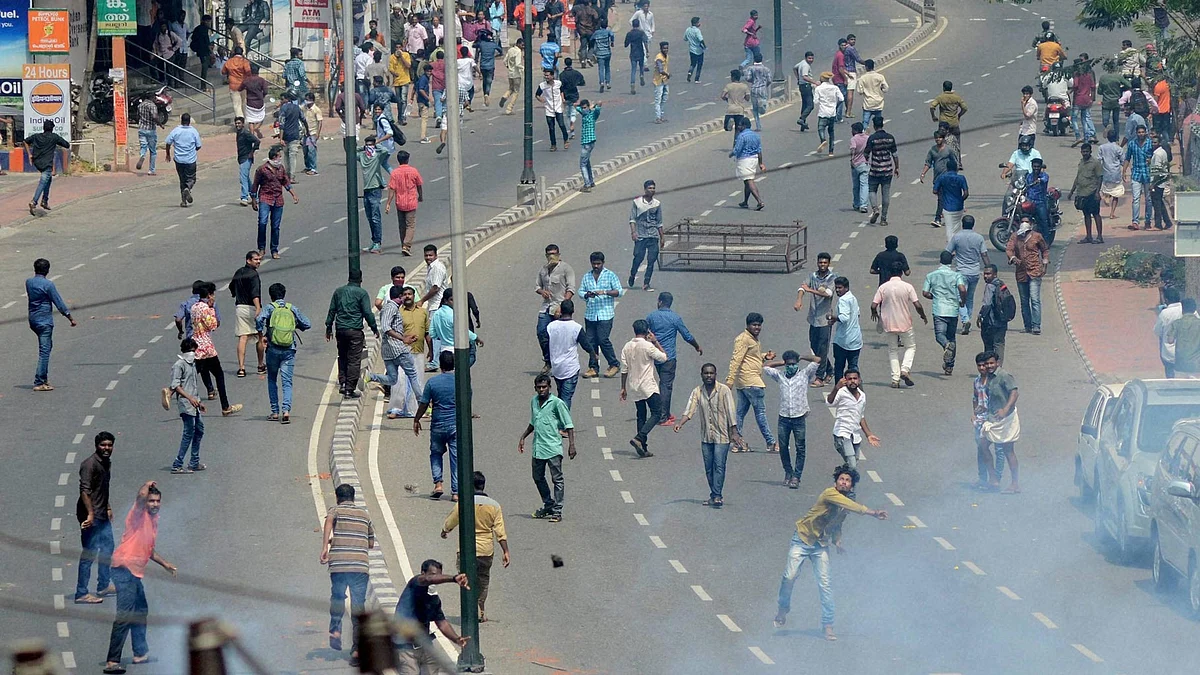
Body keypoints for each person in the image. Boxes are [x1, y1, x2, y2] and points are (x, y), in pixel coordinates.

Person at [773, 464, 888, 642]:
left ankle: (828, 626)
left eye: (848, 481)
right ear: (836, 481)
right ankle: (783, 608)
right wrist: (872, 512)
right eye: (841, 479)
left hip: (820, 545)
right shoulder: (830, 494)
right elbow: (852, 506)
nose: (844, 482)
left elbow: (838, 522)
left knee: (825, 585)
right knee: (790, 576)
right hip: (802, 538)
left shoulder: (846, 502)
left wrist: (837, 540)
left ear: (852, 485)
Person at [103, 481, 176, 674]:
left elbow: (149, 550)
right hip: (123, 569)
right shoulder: (137, 515)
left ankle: (140, 653)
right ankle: (112, 661)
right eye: (151, 501)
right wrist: (146, 484)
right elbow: (140, 497)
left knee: (141, 610)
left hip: (134, 573)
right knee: (125, 615)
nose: (154, 504)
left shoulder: (154, 520)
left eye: (157, 501)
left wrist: (165, 564)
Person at [440, 471, 510, 622]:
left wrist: (445, 531)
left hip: (467, 550)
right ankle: (481, 610)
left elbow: (451, 520)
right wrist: (505, 551)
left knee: (466, 579)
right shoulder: (495, 506)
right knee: (483, 580)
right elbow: (500, 531)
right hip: (486, 551)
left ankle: (470, 609)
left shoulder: (464, 502)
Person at [320, 483, 375, 665]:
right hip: (359, 567)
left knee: (338, 597)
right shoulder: (365, 515)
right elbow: (370, 544)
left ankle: (335, 630)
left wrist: (325, 547)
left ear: (337, 497)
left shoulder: (335, 510)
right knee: (358, 607)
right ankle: (358, 650)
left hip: (339, 565)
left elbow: (329, 521)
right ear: (353, 498)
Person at [675, 363, 743, 506]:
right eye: (706, 373)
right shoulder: (697, 392)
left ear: (715, 375)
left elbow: (731, 411)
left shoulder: (724, 391)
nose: (709, 376)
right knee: (708, 467)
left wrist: (734, 432)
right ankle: (714, 494)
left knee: (719, 466)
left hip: (722, 436)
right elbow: (690, 409)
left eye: (711, 373)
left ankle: (717, 495)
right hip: (706, 437)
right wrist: (680, 423)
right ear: (701, 375)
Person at [394, 560, 471, 672]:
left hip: (424, 645)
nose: (436, 579)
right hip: (405, 647)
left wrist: (456, 639)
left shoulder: (433, 599)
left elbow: (442, 623)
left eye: (439, 575)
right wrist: (453, 578)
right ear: (423, 573)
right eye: (433, 574)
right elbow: (428, 580)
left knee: (433, 667)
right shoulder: (415, 583)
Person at [518, 373, 576, 521]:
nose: (542, 389)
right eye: (539, 387)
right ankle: (548, 504)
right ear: (535, 388)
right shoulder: (534, 401)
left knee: (557, 479)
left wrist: (571, 445)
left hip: (553, 448)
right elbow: (534, 422)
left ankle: (557, 511)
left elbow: (568, 425)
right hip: (538, 448)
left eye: (544, 387)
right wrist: (523, 436)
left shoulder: (557, 403)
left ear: (550, 387)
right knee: (537, 477)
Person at [762, 350, 821, 488]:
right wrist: (782, 362)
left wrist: (801, 356)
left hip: (799, 417)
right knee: (783, 447)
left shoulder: (804, 374)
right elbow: (766, 367)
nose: (791, 366)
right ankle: (788, 472)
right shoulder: (780, 376)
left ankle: (797, 476)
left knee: (800, 448)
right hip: (783, 417)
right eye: (788, 364)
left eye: (793, 364)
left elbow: (817, 359)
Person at [256, 283, 311, 423]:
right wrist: (294, 326)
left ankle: (275, 412)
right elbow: (307, 323)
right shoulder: (291, 308)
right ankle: (286, 411)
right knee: (287, 382)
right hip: (289, 349)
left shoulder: (269, 308)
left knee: (272, 379)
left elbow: (258, 319)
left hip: (273, 349)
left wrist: (261, 333)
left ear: (271, 295)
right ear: (284, 294)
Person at [645, 293, 702, 428]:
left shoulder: (651, 316)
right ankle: (663, 417)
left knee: (662, 383)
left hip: (655, 355)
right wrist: (697, 346)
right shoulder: (675, 318)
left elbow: (645, 331)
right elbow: (686, 335)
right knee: (666, 386)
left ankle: (666, 412)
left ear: (659, 302)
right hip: (669, 357)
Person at [726, 312, 777, 453]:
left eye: (759, 325)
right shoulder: (743, 339)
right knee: (760, 413)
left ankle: (737, 442)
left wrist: (765, 356)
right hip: (751, 382)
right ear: (747, 325)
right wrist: (729, 380)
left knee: (739, 414)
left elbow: (751, 358)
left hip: (745, 382)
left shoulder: (752, 339)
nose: (757, 327)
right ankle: (771, 442)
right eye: (754, 325)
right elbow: (736, 359)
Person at [75, 431, 116, 605]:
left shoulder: (106, 462)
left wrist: (107, 506)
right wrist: (90, 514)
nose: (106, 448)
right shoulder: (89, 464)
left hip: (101, 513)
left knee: (108, 548)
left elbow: (102, 488)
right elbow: (85, 490)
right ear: (96, 446)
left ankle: (103, 585)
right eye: (103, 445)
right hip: (90, 515)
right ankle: (81, 593)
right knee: (89, 554)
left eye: (109, 445)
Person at [189, 284, 241, 417]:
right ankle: (225, 406)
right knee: (219, 374)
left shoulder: (194, 307)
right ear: (209, 295)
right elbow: (212, 325)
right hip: (206, 346)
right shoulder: (206, 308)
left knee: (193, 374)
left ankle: (172, 390)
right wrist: (211, 309)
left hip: (196, 344)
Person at [872, 262, 928, 388]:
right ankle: (905, 369)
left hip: (889, 324)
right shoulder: (907, 287)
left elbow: (873, 305)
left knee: (893, 351)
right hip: (905, 323)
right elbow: (917, 305)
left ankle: (895, 379)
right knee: (911, 347)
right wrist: (923, 316)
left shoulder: (883, 287)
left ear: (890, 273)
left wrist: (874, 313)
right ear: (901, 272)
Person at [326, 268, 380, 398]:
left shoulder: (339, 292)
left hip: (340, 330)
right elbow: (367, 312)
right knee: (354, 360)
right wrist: (374, 328)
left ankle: (343, 383)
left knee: (342, 356)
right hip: (355, 331)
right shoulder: (362, 293)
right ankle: (349, 389)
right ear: (360, 279)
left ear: (349, 278)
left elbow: (332, 310)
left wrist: (328, 327)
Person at [414, 352, 461, 500]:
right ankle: (456, 492)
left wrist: (416, 419)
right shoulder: (460, 381)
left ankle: (438, 484)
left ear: (440, 365)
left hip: (437, 425)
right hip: (455, 425)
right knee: (455, 457)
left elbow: (424, 403)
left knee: (436, 454)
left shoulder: (432, 383)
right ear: (454, 365)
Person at [619, 319, 668, 457]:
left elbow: (624, 370)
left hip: (633, 385)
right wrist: (655, 341)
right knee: (657, 413)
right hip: (648, 385)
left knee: (641, 415)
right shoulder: (648, 346)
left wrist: (623, 388)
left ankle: (643, 448)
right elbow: (664, 357)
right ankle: (640, 437)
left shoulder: (627, 346)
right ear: (647, 331)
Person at [25, 258, 75, 391]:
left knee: (47, 346)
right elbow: (59, 303)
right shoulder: (48, 285)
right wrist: (70, 318)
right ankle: (39, 381)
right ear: (47, 270)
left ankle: (44, 378)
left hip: (33, 320)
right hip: (44, 322)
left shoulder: (29, 282)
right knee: (44, 351)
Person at [579, 251, 624, 378]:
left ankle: (614, 364)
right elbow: (580, 291)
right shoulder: (587, 276)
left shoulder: (610, 275)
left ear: (603, 263)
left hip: (605, 314)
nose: (596, 266)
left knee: (603, 339)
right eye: (594, 264)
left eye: (598, 264)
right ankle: (593, 367)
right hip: (591, 314)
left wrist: (604, 292)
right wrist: (587, 295)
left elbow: (619, 291)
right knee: (590, 341)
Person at [794, 252, 836, 386]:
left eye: (825, 263)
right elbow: (802, 287)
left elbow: (827, 294)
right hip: (813, 318)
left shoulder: (832, 278)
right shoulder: (812, 276)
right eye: (820, 262)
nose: (822, 265)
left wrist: (810, 290)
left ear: (829, 263)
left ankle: (819, 377)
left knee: (823, 348)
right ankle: (829, 370)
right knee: (814, 346)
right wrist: (799, 300)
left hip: (825, 320)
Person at [923, 251, 968, 376]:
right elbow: (962, 289)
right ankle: (949, 366)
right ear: (951, 261)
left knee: (940, 335)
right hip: (953, 309)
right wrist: (962, 301)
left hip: (939, 309)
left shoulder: (931, 275)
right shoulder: (956, 275)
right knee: (952, 336)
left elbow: (925, 293)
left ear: (940, 260)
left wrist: (934, 296)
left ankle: (946, 345)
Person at [981, 352, 1021, 493]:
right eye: (987, 364)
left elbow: (1014, 393)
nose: (989, 366)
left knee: (1008, 450)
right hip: (993, 419)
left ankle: (1015, 484)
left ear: (997, 362)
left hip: (1007, 419)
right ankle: (993, 479)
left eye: (992, 363)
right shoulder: (989, 378)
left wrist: (1005, 409)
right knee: (983, 445)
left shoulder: (1004, 376)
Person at [534, 243, 577, 371]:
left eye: (554, 254)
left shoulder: (566, 269)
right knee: (542, 332)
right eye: (549, 254)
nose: (552, 256)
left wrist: (562, 306)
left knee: (560, 336)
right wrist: (542, 292)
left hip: (559, 307)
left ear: (559, 254)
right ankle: (548, 361)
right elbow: (537, 286)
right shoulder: (543, 270)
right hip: (546, 307)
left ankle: (562, 362)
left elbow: (571, 289)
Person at [251, 145, 299, 259]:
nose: (280, 159)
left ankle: (274, 249)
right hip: (265, 198)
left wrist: (293, 194)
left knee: (275, 226)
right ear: (273, 157)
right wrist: (254, 199)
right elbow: (255, 185)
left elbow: (286, 182)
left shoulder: (281, 169)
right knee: (262, 223)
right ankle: (261, 248)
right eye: (279, 156)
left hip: (278, 200)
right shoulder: (262, 169)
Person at [945, 215, 990, 334]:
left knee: (960, 298)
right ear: (973, 225)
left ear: (962, 224)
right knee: (969, 297)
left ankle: (965, 320)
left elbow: (948, 252)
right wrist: (988, 268)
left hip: (961, 272)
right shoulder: (979, 238)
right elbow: (984, 255)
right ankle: (967, 319)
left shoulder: (957, 237)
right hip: (975, 272)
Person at [546, 299, 591, 409]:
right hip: (570, 369)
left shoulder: (551, 326)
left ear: (560, 310)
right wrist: (594, 355)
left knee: (561, 395)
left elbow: (545, 342)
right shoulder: (576, 327)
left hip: (556, 368)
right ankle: (565, 423)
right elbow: (586, 345)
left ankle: (560, 421)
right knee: (566, 398)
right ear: (573, 310)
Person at [1005, 219, 1048, 335]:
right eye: (1023, 221)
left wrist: (1044, 265)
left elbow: (1044, 250)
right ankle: (1027, 326)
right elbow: (1009, 249)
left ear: (1031, 225)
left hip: (1034, 271)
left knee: (1035, 299)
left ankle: (1036, 326)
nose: (1025, 223)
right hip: (1021, 272)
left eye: (1027, 221)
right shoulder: (1015, 237)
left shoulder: (1037, 236)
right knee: (1024, 301)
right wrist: (1013, 258)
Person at [230, 250, 265, 380]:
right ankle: (260, 365)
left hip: (239, 307)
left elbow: (231, 287)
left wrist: (237, 294)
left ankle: (241, 368)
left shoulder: (238, 272)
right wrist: (258, 307)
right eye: (255, 259)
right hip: (251, 307)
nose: (258, 262)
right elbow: (255, 293)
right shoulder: (254, 275)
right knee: (260, 335)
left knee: (242, 337)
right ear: (248, 260)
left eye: (259, 259)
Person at [384, 150, 425, 256]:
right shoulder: (414, 171)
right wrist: (420, 196)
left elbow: (392, 189)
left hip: (400, 202)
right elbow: (419, 185)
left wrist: (388, 203)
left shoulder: (395, 173)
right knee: (410, 225)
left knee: (402, 225)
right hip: (411, 202)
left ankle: (404, 244)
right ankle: (406, 246)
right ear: (407, 159)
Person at [628, 180, 664, 292]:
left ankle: (646, 283)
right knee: (638, 257)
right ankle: (632, 274)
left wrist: (662, 237)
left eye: (653, 188)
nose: (652, 190)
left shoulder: (657, 204)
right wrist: (633, 232)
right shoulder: (637, 202)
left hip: (653, 236)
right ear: (645, 189)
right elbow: (632, 219)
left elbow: (659, 222)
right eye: (650, 188)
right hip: (641, 235)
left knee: (651, 260)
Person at [358, 136, 390, 254]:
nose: (369, 148)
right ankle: (374, 241)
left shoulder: (377, 157)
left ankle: (378, 243)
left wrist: (376, 146)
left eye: (371, 145)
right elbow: (351, 152)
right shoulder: (362, 156)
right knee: (369, 217)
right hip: (366, 190)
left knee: (376, 217)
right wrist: (363, 148)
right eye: (368, 145)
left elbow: (385, 151)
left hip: (375, 189)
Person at [919, 130, 958, 228]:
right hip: (937, 178)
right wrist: (923, 173)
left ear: (943, 138)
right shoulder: (932, 150)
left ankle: (938, 218)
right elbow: (928, 163)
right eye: (936, 138)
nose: (938, 139)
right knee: (944, 198)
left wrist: (954, 176)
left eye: (940, 137)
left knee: (941, 199)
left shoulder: (949, 150)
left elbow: (954, 163)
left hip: (947, 178)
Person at [972, 353, 999, 490]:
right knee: (980, 450)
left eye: (984, 365)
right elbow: (975, 398)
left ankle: (995, 478)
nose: (982, 368)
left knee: (997, 450)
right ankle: (982, 478)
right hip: (979, 421)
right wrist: (975, 413)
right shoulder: (976, 381)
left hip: (992, 421)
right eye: (980, 365)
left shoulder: (993, 381)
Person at [1069, 142, 1106, 243]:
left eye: (1087, 151)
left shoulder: (1095, 163)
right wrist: (1072, 191)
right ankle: (1088, 236)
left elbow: (1100, 177)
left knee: (1096, 214)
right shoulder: (1081, 162)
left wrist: (1097, 192)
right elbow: (1078, 177)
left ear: (1090, 151)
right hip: (1082, 193)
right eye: (1083, 151)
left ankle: (1099, 237)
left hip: (1092, 192)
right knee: (1086, 215)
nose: (1085, 153)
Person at [865, 116, 899, 226]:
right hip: (887, 170)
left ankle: (875, 209)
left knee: (871, 190)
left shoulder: (872, 138)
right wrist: (897, 167)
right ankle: (883, 219)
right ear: (883, 124)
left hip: (875, 170)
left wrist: (867, 160)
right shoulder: (890, 138)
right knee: (886, 194)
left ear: (874, 126)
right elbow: (895, 154)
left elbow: (866, 153)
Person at [164, 113, 202, 208]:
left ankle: (183, 201)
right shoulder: (194, 132)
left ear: (181, 121)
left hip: (179, 160)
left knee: (182, 180)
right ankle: (188, 189)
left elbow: (168, 142)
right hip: (190, 160)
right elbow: (198, 146)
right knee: (192, 179)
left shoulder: (176, 131)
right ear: (189, 121)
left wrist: (168, 154)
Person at [828, 277, 861, 382]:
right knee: (853, 368)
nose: (837, 290)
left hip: (843, 341)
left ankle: (838, 392)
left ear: (846, 288)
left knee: (839, 368)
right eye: (836, 288)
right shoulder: (853, 298)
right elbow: (857, 314)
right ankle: (856, 390)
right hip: (856, 340)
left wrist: (832, 317)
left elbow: (844, 318)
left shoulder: (843, 300)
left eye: (840, 288)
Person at [977, 264, 1012, 364]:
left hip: (990, 322)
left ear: (995, 275)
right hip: (1002, 320)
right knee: (999, 344)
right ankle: (998, 367)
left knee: (989, 346)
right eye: (984, 274)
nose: (986, 276)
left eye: (988, 274)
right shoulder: (1002, 285)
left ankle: (990, 367)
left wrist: (980, 316)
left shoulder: (990, 286)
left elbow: (987, 304)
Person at [730, 117, 765, 210]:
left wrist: (731, 154)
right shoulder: (756, 135)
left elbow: (737, 149)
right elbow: (759, 150)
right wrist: (761, 164)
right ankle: (745, 201)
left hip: (745, 160)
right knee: (747, 181)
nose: (739, 127)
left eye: (740, 125)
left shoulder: (742, 136)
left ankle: (759, 201)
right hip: (754, 160)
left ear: (744, 126)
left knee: (749, 180)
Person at [932, 157, 968, 240]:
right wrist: (960, 200)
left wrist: (942, 196)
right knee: (957, 227)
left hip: (947, 206)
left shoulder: (942, 178)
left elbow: (934, 190)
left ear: (947, 168)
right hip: (959, 207)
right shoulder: (961, 178)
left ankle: (951, 248)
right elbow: (966, 193)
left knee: (949, 228)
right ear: (956, 168)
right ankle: (957, 245)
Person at [536, 69, 570, 150]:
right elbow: (537, 95)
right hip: (549, 108)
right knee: (551, 128)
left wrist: (563, 99)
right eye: (545, 75)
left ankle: (566, 140)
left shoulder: (558, 83)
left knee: (561, 125)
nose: (546, 77)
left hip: (558, 107)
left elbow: (561, 91)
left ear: (552, 76)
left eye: (547, 75)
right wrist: (541, 100)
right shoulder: (542, 85)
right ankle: (553, 144)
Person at [1154, 288, 1184, 377]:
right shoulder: (1189, 310)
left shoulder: (1165, 313)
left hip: (1169, 354)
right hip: (1188, 352)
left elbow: (1157, 331)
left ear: (1166, 300)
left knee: (1170, 374)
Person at [1069, 55, 1097, 146]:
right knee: (1084, 119)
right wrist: (1092, 99)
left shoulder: (1077, 75)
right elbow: (1093, 87)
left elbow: (1076, 85)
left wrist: (1071, 90)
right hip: (1087, 100)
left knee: (1074, 118)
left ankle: (1078, 136)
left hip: (1078, 99)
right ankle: (1086, 138)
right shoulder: (1089, 75)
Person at [1098, 127, 1125, 221]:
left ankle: (1106, 196)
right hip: (1116, 173)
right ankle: (1112, 213)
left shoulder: (1102, 147)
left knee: (1105, 188)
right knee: (1116, 195)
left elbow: (1099, 160)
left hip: (1105, 172)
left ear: (1107, 137)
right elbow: (1123, 161)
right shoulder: (1119, 149)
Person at [277, 92, 305, 181]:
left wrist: (281, 138)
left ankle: (288, 175)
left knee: (286, 156)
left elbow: (281, 124)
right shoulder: (297, 108)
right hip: (295, 135)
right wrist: (307, 130)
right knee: (293, 156)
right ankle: (291, 177)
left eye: (282, 99)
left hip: (285, 136)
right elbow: (303, 119)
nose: (281, 101)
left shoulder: (283, 109)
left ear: (286, 99)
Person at [1150, 130, 1174, 231]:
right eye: (1152, 142)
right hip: (1162, 181)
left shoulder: (1158, 154)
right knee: (1160, 202)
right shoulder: (1162, 152)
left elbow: (1157, 170)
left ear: (1159, 143)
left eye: (1155, 142)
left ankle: (1158, 224)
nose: (1153, 144)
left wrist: (1153, 184)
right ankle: (1167, 222)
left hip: (1158, 182)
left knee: (1156, 204)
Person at [576, 99, 602, 191]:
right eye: (583, 108)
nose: (584, 109)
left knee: (582, 164)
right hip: (587, 143)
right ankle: (591, 181)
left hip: (588, 143)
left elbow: (599, 103)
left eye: (585, 108)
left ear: (588, 107)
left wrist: (593, 105)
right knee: (587, 163)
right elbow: (577, 107)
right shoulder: (583, 113)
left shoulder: (593, 115)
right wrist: (586, 107)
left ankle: (587, 184)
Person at [239, 64, 270, 138]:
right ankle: (257, 128)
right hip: (259, 102)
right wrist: (262, 96)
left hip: (250, 102)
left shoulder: (246, 80)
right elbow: (265, 91)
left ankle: (252, 134)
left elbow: (240, 88)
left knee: (250, 120)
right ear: (258, 71)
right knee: (261, 117)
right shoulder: (261, 80)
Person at [721, 69, 751, 146]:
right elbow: (748, 98)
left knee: (726, 128)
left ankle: (730, 122)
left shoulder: (729, 86)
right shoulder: (744, 86)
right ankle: (735, 144)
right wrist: (742, 98)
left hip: (730, 109)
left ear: (733, 77)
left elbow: (722, 96)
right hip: (740, 110)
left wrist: (727, 99)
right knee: (738, 129)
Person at [222, 46, 252, 121]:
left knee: (236, 105)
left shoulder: (229, 62)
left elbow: (223, 72)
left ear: (234, 52)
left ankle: (240, 121)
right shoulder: (244, 61)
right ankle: (246, 120)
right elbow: (248, 72)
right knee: (244, 103)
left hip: (233, 85)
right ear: (242, 53)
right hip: (244, 85)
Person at [234, 117, 259, 205]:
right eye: (236, 123)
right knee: (246, 178)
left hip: (246, 158)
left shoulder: (245, 133)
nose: (237, 125)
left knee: (243, 178)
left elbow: (257, 141)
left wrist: (252, 152)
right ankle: (255, 196)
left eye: (239, 123)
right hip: (241, 158)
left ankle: (244, 197)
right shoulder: (239, 133)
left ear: (243, 124)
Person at [855, 58, 887, 128]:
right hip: (878, 103)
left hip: (868, 104)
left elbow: (860, 91)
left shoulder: (862, 78)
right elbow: (886, 88)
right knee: (878, 123)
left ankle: (864, 137)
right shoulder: (880, 77)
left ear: (866, 67)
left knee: (865, 123)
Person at [744, 54, 771, 132]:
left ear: (754, 60)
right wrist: (766, 85)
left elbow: (748, 78)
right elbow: (769, 80)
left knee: (755, 109)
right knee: (762, 106)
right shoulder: (766, 69)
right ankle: (762, 107)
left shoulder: (751, 68)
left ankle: (758, 126)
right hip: (762, 89)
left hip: (754, 89)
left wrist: (753, 81)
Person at [135, 96, 162, 175]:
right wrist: (159, 124)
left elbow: (137, 116)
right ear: (151, 98)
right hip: (150, 129)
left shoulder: (140, 105)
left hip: (142, 129)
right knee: (153, 151)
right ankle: (151, 170)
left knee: (143, 146)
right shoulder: (152, 106)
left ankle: (142, 155)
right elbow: (154, 116)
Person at [476, 30, 502, 107]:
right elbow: (500, 50)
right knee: (489, 81)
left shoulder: (481, 44)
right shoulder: (493, 44)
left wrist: (479, 39)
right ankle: (487, 94)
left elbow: (474, 45)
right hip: (490, 66)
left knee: (484, 80)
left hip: (482, 65)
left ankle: (485, 94)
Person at [848, 122, 869, 213]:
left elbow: (853, 150)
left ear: (856, 130)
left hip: (856, 164)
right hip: (865, 163)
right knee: (864, 185)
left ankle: (856, 203)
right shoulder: (867, 138)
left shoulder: (854, 139)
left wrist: (852, 160)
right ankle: (864, 205)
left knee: (856, 186)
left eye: (852, 130)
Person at [500, 37, 526, 113]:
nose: (523, 47)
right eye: (522, 45)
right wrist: (524, 68)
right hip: (517, 74)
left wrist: (508, 66)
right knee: (516, 91)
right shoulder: (518, 52)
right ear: (518, 44)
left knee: (511, 88)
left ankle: (504, 96)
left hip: (510, 73)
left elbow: (505, 61)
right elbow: (518, 64)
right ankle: (509, 108)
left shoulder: (510, 50)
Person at [625, 17, 649, 94]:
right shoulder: (641, 33)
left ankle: (632, 84)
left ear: (632, 25)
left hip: (633, 53)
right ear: (638, 25)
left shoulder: (629, 34)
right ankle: (641, 75)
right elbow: (645, 41)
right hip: (640, 52)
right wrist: (647, 50)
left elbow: (626, 44)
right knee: (641, 66)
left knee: (633, 70)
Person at [795, 51, 816, 131]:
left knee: (804, 105)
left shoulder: (801, 63)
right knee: (810, 105)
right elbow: (805, 77)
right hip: (806, 86)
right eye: (809, 58)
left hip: (802, 86)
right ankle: (801, 119)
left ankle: (803, 124)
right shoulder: (806, 66)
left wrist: (798, 78)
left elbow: (795, 68)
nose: (811, 60)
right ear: (806, 58)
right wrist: (814, 82)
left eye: (812, 58)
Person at [593, 22, 614, 92]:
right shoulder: (607, 32)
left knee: (601, 69)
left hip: (599, 53)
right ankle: (607, 83)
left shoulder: (596, 33)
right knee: (607, 68)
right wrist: (612, 42)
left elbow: (591, 39)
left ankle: (601, 82)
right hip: (607, 52)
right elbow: (612, 34)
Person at [652, 41, 670, 123]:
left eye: (667, 48)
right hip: (658, 81)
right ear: (661, 49)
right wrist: (667, 74)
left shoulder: (666, 56)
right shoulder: (659, 58)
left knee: (664, 99)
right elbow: (660, 70)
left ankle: (661, 116)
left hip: (665, 81)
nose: (665, 49)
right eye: (664, 48)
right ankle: (658, 117)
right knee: (658, 100)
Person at [831, 39, 848, 123]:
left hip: (835, 78)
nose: (844, 47)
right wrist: (845, 79)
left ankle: (834, 115)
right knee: (841, 98)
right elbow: (840, 69)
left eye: (845, 45)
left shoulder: (838, 54)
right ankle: (838, 116)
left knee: (838, 98)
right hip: (839, 79)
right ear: (839, 46)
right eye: (842, 45)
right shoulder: (840, 55)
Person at [684, 16, 705, 82]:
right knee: (699, 64)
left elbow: (685, 38)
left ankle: (690, 72)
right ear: (695, 23)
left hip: (691, 50)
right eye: (698, 22)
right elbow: (701, 39)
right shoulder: (697, 31)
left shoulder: (688, 30)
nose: (699, 24)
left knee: (692, 64)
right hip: (699, 50)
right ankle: (697, 79)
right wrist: (704, 46)